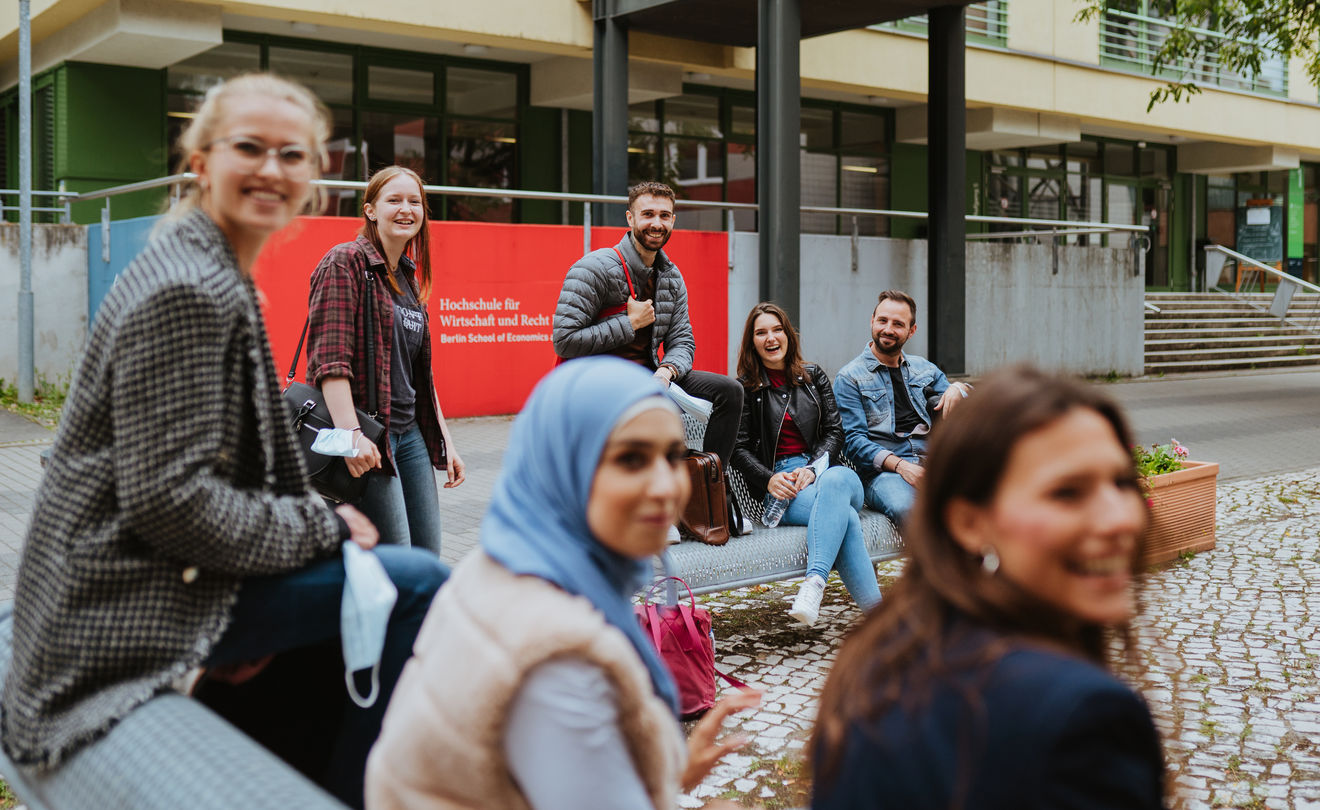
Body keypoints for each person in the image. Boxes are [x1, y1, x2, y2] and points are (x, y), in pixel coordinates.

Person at [0, 73, 450, 810]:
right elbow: (170, 501)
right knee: (420, 587)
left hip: (136, 575)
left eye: (292, 154)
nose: (272, 169)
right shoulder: (190, 287)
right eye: (250, 147)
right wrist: (322, 522)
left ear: (312, 178)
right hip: (116, 600)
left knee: (364, 578)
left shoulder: (208, 268)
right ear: (201, 161)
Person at [366, 357, 761, 810]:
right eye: (630, 458)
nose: (664, 486)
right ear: (564, 466)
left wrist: (664, 777)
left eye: (673, 457)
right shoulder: (560, 657)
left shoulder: (500, 567)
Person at [808, 365, 1165, 810]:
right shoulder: (1087, 716)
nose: (1121, 519)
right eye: (1067, 493)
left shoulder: (876, 660)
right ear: (969, 523)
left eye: (1122, 482)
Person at [307, 165, 465, 554]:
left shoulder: (408, 278)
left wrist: (446, 441)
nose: (406, 209)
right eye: (393, 200)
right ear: (370, 210)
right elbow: (331, 362)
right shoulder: (345, 262)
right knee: (395, 557)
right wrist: (351, 437)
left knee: (426, 554)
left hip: (409, 435)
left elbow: (419, 374)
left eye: (415, 201)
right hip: (368, 434)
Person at [552, 181, 743, 467]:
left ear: (673, 221)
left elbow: (682, 340)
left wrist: (667, 370)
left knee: (729, 391)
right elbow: (564, 340)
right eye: (648, 214)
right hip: (596, 381)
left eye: (664, 216)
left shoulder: (671, 276)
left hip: (650, 377)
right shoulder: (593, 268)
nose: (657, 223)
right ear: (630, 218)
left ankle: (711, 481)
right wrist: (629, 323)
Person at [731, 303, 882, 625]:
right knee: (846, 519)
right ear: (752, 342)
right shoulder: (745, 388)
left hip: (827, 471)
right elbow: (738, 449)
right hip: (784, 487)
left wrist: (814, 469)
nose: (770, 338)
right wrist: (769, 479)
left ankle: (814, 580)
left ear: (788, 334)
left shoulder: (812, 376)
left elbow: (835, 432)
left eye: (777, 329)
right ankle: (881, 622)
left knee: (838, 483)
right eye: (761, 333)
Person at [833, 289, 970, 524]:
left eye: (898, 324)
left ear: (911, 330)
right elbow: (853, 442)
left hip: (935, 462)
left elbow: (969, 408)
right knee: (915, 514)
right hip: (886, 473)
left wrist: (960, 388)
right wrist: (902, 466)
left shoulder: (924, 369)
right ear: (872, 321)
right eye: (882, 320)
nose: (888, 329)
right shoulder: (849, 377)